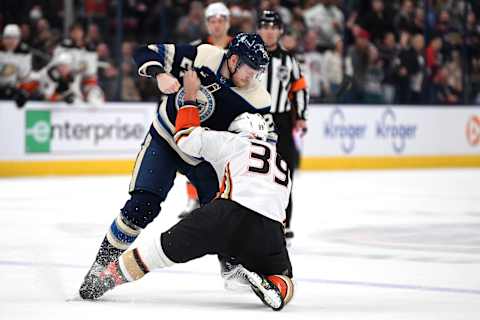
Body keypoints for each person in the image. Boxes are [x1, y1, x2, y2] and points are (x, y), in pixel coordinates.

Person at [79, 33, 272, 293]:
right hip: (166, 140)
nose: (254, 76)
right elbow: (144, 50)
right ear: (234, 59)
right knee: (142, 206)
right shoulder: (204, 56)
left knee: (225, 212)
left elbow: (256, 142)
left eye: (258, 71)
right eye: (251, 68)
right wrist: (160, 73)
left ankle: (233, 264)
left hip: (203, 156)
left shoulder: (259, 99)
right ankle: (102, 263)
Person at [257, 11, 309, 240]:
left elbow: (299, 88)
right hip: (253, 120)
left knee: (284, 172)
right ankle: (252, 221)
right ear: (259, 30)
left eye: (273, 27)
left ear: (279, 31)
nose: (269, 31)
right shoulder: (248, 54)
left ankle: (283, 221)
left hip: (281, 121)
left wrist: (302, 116)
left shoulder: (288, 60)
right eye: (265, 26)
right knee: (253, 172)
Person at [180, 1, 233, 218]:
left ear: (227, 22)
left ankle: (226, 198)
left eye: (221, 20)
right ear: (207, 23)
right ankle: (193, 199)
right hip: (205, 107)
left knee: (227, 155)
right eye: (212, 21)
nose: (217, 25)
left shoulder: (237, 46)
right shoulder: (197, 47)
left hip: (230, 107)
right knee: (194, 153)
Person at [53, 22, 104, 106]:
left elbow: (91, 72)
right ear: (70, 33)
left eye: (79, 31)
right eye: (74, 31)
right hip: (65, 82)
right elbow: (56, 66)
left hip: (83, 81)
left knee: (95, 96)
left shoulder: (89, 49)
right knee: (74, 100)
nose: (77, 34)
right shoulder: (63, 47)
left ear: (83, 33)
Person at [0, 24, 35, 108]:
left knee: (26, 95)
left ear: (19, 39)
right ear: (3, 38)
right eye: (8, 38)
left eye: (14, 38)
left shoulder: (24, 53)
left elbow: (24, 76)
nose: (11, 41)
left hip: (13, 87)